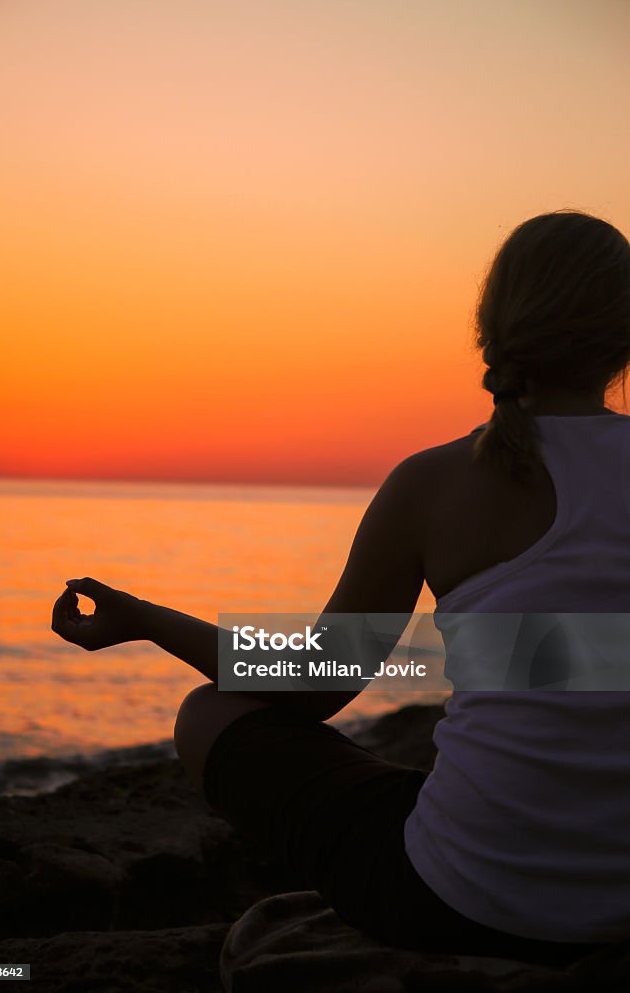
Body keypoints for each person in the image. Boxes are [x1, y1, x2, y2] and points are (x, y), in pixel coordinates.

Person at [52, 209, 630, 966]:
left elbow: (313, 686)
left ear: (493, 326)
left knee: (209, 712)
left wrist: (151, 620)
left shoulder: (433, 481)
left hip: (456, 898)